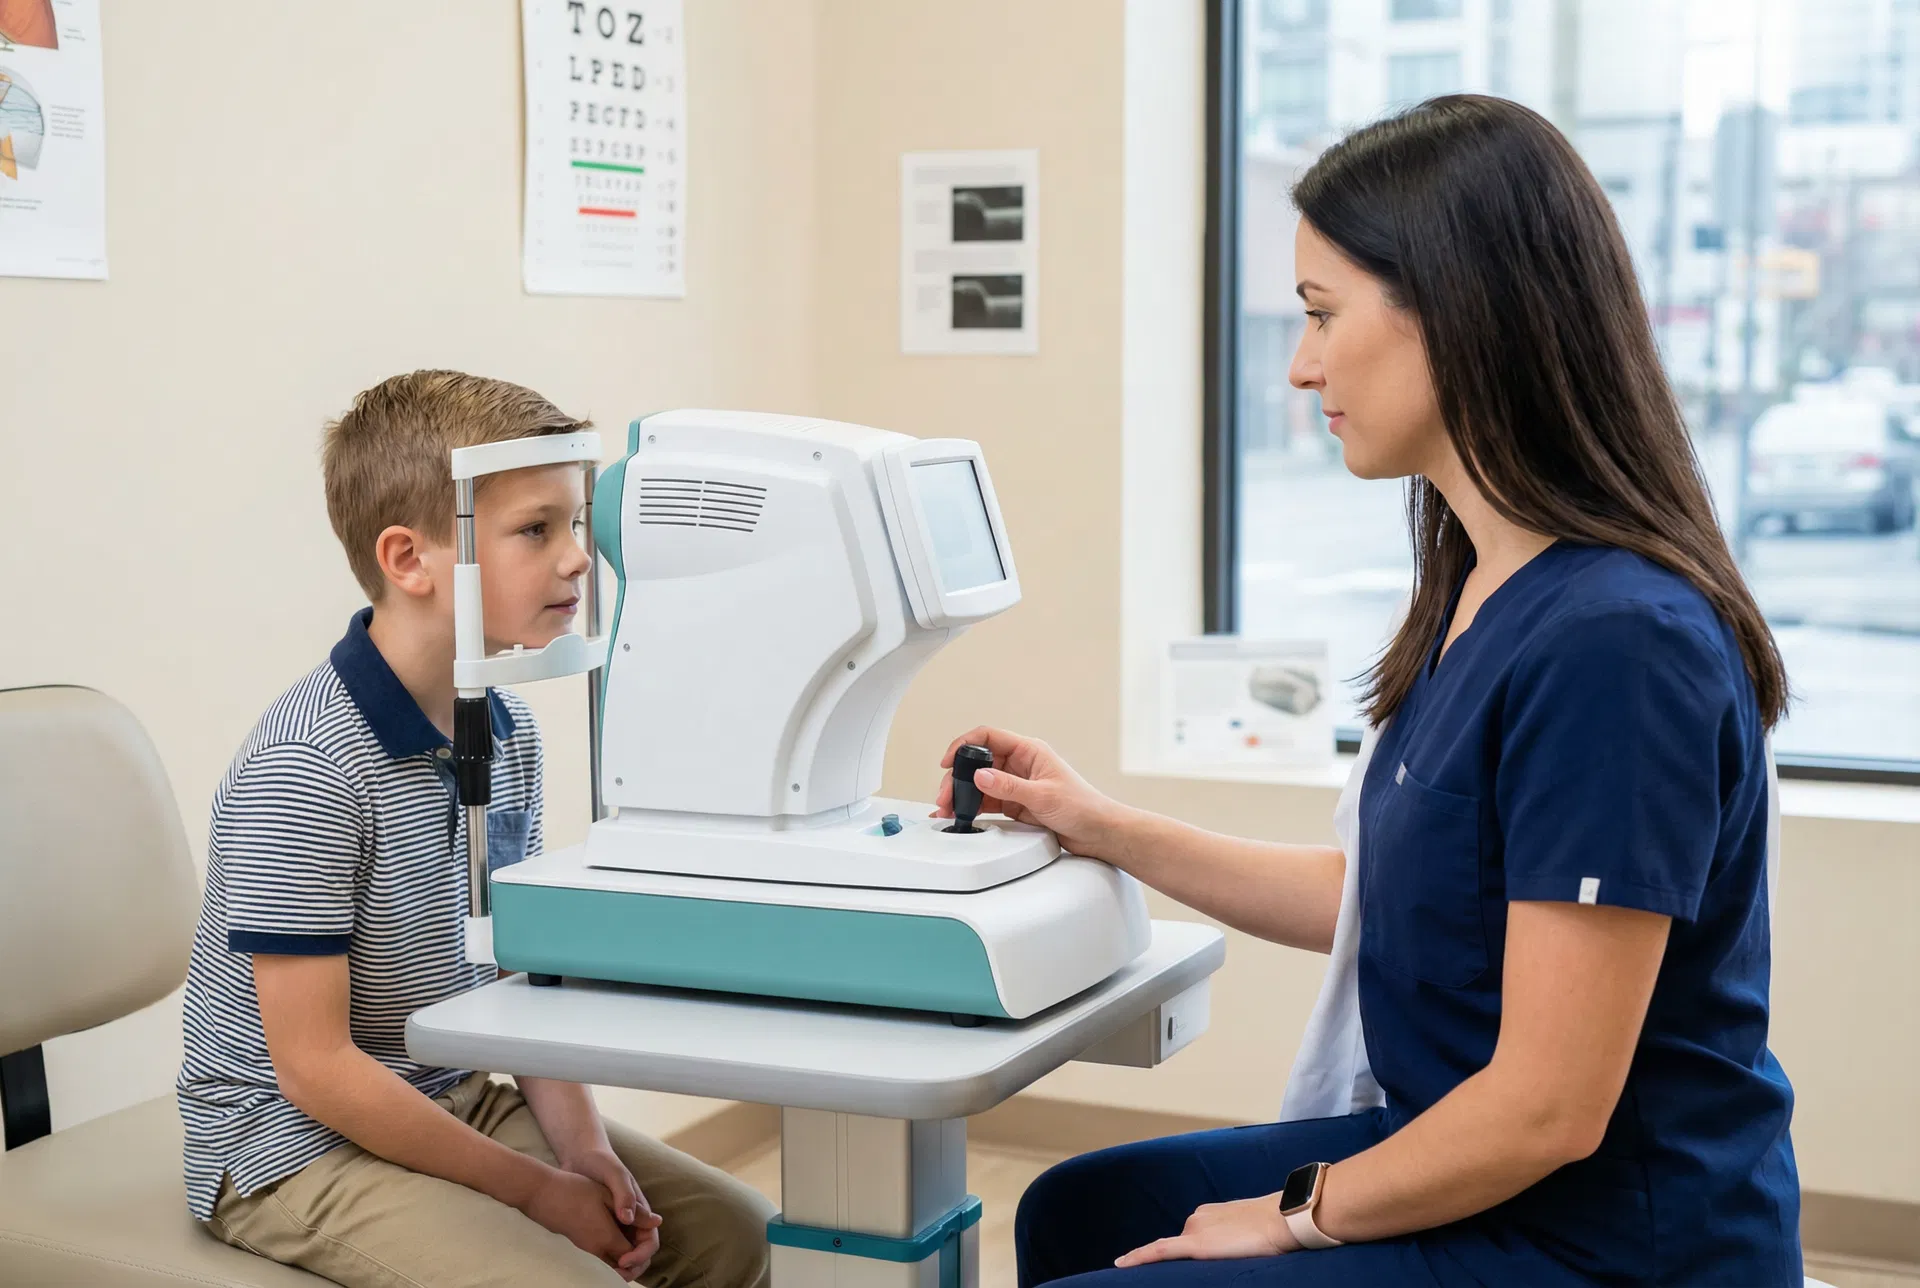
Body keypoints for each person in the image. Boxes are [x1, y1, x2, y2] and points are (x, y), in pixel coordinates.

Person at [941, 96, 1801, 1287]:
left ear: (1461, 312)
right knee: (1082, 1208)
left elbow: (1550, 1109)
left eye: (1320, 316)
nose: (1300, 367)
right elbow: (1392, 898)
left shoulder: (1618, 644)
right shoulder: (1484, 586)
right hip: (1503, 1171)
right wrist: (1101, 825)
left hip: (1606, 1235)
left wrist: (1297, 1212)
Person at [176, 371, 775, 1287]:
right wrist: (534, 1191)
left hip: (448, 1090)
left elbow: (517, 972)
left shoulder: (504, 725)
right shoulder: (309, 767)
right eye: (537, 530)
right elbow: (313, 1068)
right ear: (410, 559)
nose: (578, 559)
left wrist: (584, 1155)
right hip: (287, 1144)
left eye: (575, 524)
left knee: (735, 1234)